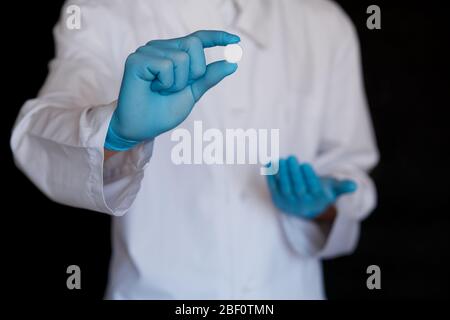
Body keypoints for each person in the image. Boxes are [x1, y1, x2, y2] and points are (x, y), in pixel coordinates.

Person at [10, 0, 379, 299]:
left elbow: (350, 170)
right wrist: (114, 134)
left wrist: (323, 209)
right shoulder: (103, 11)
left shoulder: (325, 23)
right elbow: (37, 137)